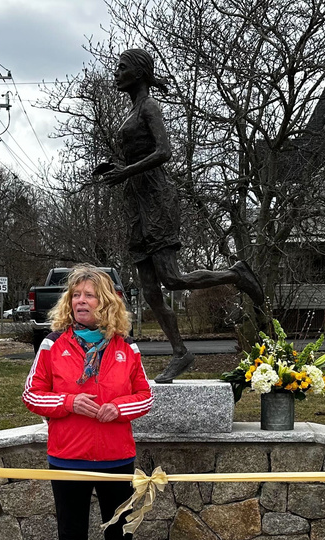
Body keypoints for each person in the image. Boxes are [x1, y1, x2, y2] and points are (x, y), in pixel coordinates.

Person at [97, 48, 268, 383]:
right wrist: (118, 170)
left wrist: (126, 171)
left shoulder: (149, 106)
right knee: (149, 288)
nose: (116, 73)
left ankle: (236, 274)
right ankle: (180, 352)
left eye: (122, 68)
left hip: (157, 198)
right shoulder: (132, 110)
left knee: (171, 278)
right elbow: (141, 154)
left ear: (139, 73)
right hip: (135, 199)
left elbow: (164, 152)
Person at [22, 265, 153, 540]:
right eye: (77, 295)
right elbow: (32, 396)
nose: (82, 301)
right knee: (72, 539)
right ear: (69, 302)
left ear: (106, 302)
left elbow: (145, 396)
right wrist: (69, 402)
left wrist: (120, 409)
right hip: (68, 459)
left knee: (120, 538)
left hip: (116, 461)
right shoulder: (52, 345)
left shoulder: (126, 348)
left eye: (90, 295)